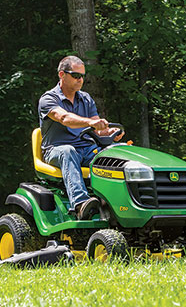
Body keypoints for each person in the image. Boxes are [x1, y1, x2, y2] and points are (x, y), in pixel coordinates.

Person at [38, 56, 124, 220]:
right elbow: (64, 118)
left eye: (82, 76)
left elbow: (97, 130)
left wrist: (109, 132)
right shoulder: (48, 99)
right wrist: (91, 123)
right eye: (76, 75)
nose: (81, 79)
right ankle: (80, 204)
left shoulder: (85, 99)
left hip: (86, 149)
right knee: (68, 151)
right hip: (56, 150)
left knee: (115, 155)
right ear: (62, 75)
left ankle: (116, 204)